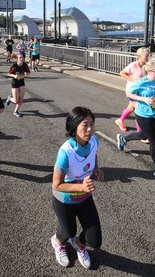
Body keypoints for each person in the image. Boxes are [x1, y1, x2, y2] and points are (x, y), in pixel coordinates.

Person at [51, 107, 104, 269]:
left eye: (92, 124)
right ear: (74, 127)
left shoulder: (93, 141)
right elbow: (56, 184)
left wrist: (97, 168)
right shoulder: (65, 152)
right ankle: (58, 242)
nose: (90, 129)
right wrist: (81, 186)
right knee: (68, 232)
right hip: (65, 200)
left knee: (95, 241)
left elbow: (93, 153)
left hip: (84, 198)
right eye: (85, 125)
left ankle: (79, 245)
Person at [117, 59, 155, 185]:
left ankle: (123, 139)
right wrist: (143, 99)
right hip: (142, 115)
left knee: (143, 135)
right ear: (148, 71)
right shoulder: (141, 82)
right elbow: (128, 93)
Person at [115, 47, 151, 134]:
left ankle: (120, 120)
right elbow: (122, 73)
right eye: (146, 56)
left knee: (130, 108)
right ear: (140, 56)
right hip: (132, 92)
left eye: (149, 55)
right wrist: (134, 80)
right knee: (139, 110)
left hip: (141, 92)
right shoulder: (133, 65)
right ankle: (140, 133)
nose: (148, 57)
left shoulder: (147, 65)